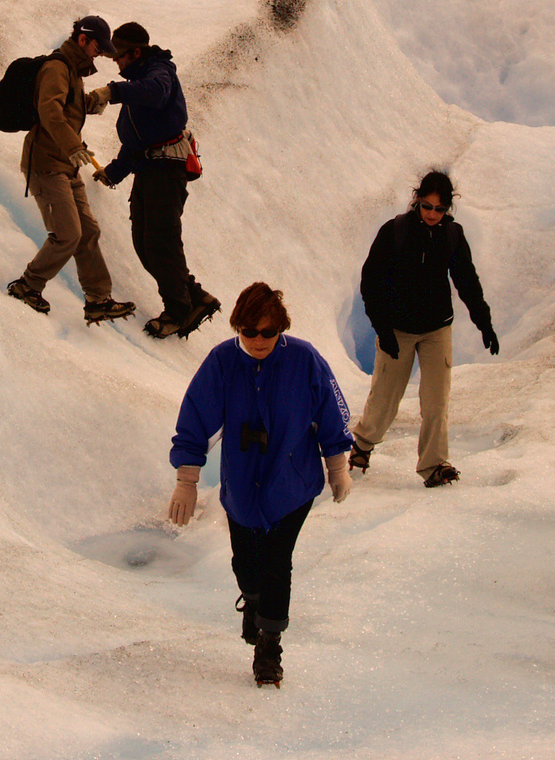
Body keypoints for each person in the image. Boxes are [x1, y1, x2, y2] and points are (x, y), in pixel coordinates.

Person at [167, 282, 352, 687]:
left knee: (276, 565)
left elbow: (332, 411)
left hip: (292, 485)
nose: (259, 340)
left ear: (281, 328)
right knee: (246, 565)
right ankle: (252, 602)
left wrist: (337, 464)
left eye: (268, 332)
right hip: (243, 489)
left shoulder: (305, 360)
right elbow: (195, 417)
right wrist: (187, 479)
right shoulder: (222, 363)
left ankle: (269, 647)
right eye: (249, 332)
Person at [350, 169, 497, 487]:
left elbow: (466, 281)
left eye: (439, 209)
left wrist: (483, 323)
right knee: (385, 398)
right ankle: (362, 445)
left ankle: (434, 465)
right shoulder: (395, 232)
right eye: (427, 206)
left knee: (436, 401)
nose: (432, 214)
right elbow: (371, 281)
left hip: (436, 330)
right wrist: (383, 329)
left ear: (448, 209)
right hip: (398, 329)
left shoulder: (452, 236)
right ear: (417, 201)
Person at [90, 22, 218, 338]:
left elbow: (157, 93)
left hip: (166, 170)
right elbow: (136, 144)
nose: (116, 62)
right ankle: (194, 297)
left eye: (120, 55)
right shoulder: (139, 83)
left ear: (136, 52)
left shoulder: (159, 73)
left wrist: (113, 92)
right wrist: (113, 172)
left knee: (160, 240)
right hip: (151, 169)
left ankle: (179, 312)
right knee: (145, 242)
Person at [6, 16, 135, 325]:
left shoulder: (72, 72)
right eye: (97, 47)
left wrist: (99, 98)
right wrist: (72, 146)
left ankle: (98, 300)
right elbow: (49, 111)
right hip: (46, 166)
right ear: (82, 40)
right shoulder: (57, 68)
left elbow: (71, 105)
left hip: (65, 165)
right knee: (68, 235)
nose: (98, 54)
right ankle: (27, 286)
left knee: (88, 232)